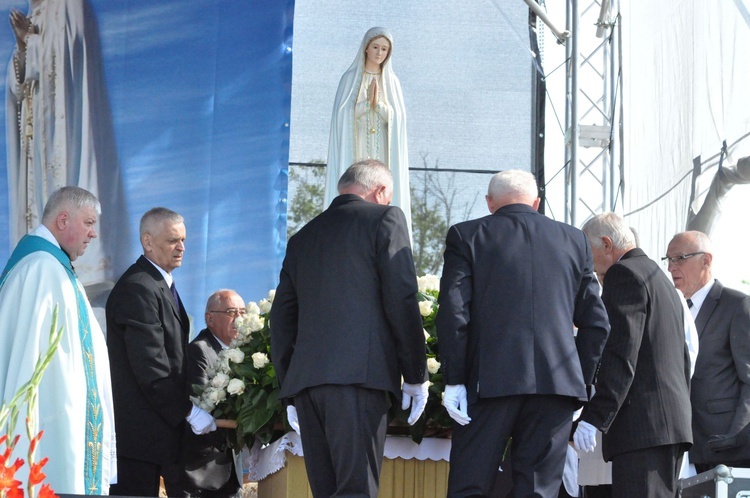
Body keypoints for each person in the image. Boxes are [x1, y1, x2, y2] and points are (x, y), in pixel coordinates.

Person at [437, 169, 610, 497]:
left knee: (470, 485)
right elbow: (597, 323)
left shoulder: (467, 235)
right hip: (556, 386)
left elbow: (454, 312)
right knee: (538, 490)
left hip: (489, 383)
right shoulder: (573, 240)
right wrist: (580, 383)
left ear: (489, 203)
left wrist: (455, 379)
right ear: (537, 202)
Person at [271, 159, 429, 497]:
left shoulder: (303, 236)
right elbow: (401, 297)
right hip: (359, 378)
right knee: (356, 490)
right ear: (381, 190)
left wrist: (290, 389)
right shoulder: (386, 217)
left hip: (307, 386)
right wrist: (415, 374)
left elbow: (282, 319)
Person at [0, 186, 116, 494]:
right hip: (49, 421)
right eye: (89, 223)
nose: (93, 234)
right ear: (63, 220)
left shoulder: (52, 266)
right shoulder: (41, 268)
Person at [6, 0, 127, 289]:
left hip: (61, 128)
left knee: (64, 183)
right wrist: (24, 46)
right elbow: (18, 86)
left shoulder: (68, 5)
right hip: (38, 138)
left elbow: (68, 58)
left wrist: (32, 43)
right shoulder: (33, 14)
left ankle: (77, 258)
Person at [574, 212, 693, 497]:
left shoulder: (623, 273)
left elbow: (621, 353)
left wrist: (594, 416)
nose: (588, 266)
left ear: (606, 244)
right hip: (666, 424)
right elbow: (682, 356)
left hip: (642, 427)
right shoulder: (658, 278)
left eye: (588, 254)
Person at [106, 207, 217, 497]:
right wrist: (188, 412)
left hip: (157, 436)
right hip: (139, 441)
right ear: (147, 241)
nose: (181, 247)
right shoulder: (138, 288)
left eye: (183, 240)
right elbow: (151, 366)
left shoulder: (157, 284)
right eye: (172, 241)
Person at [665, 230, 750, 472]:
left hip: (722, 447)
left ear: (706, 260)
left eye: (680, 258)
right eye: (668, 260)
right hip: (676, 445)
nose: (671, 268)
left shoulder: (736, 305)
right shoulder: (671, 309)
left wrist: (736, 438)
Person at [324, 27, 411, 232]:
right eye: (375, 47)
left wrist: (379, 106)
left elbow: (398, 119)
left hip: (382, 152)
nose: (379, 53)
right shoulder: (350, 79)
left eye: (384, 49)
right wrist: (364, 106)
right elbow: (341, 116)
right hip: (357, 147)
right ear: (366, 48)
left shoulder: (392, 82)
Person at [171, 289, 245, 498]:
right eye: (232, 312)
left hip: (228, 474)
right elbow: (203, 405)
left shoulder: (242, 352)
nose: (239, 319)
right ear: (209, 318)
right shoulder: (199, 350)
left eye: (243, 312)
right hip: (199, 474)